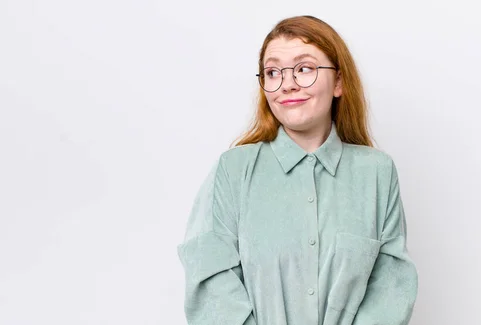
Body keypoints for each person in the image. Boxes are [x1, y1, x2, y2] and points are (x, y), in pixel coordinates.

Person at [177, 15, 418, 325]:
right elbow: (209, 277)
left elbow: (391, 284)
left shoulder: (376, 172)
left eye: (305, 68)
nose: (287, 83)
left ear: (339, 82)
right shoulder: (233, 170)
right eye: (273, 72)